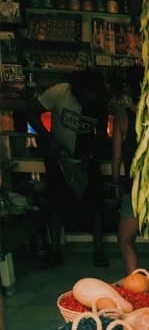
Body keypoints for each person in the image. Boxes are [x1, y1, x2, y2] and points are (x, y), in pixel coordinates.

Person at [27, 69, 109, 269]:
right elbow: (30, 111)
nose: (88, 99)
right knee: (56, 203)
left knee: (96, 205)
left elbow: (100, 134)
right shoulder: (60, 91)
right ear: (78, 90)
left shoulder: (99, 103)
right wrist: (48, 138)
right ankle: (55, 250)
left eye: (92, 96)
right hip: (59, 156)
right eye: (85, 95)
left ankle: (99, 251)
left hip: (86, 159)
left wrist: (91, 155)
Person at [112, 74, 149, 278]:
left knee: (125, 239)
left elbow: (117, 156)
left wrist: (116, 181)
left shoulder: (123, 118)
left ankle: (134, 283)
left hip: (135, 188)